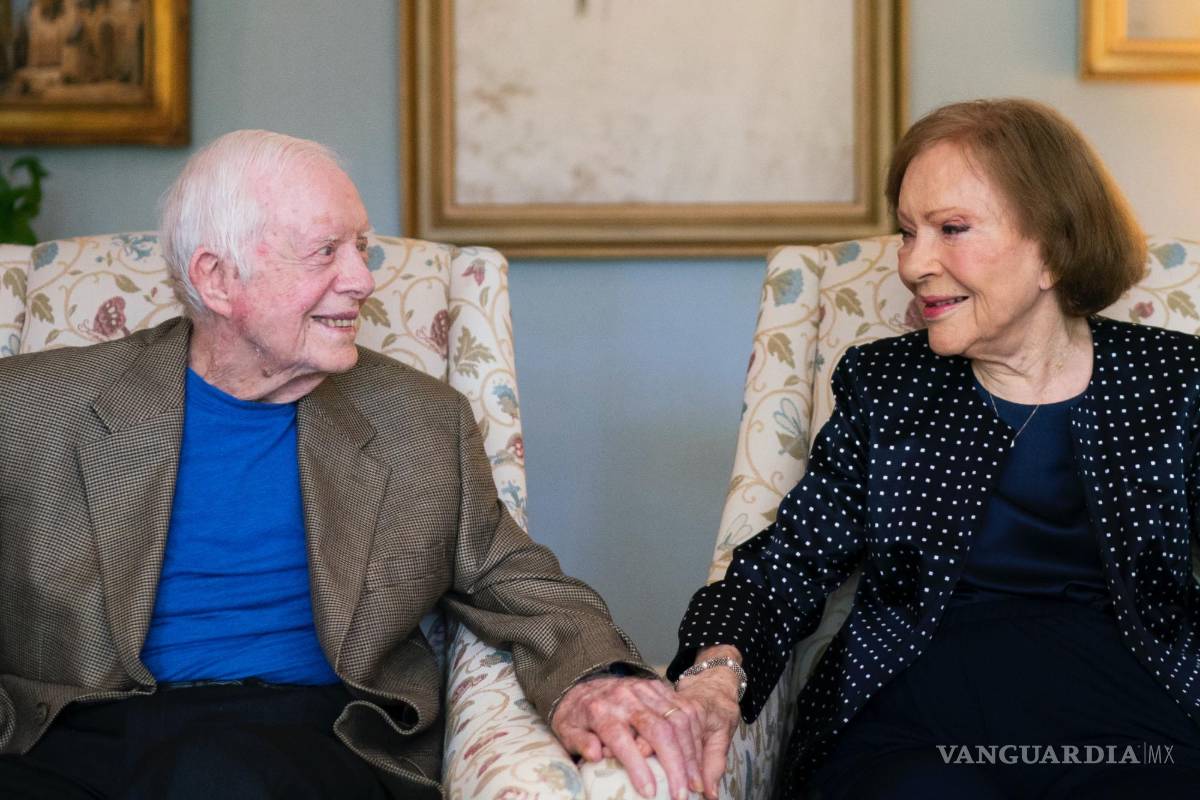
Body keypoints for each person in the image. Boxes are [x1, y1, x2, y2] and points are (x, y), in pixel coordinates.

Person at [0, 130, 700, 800]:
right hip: (75, 734)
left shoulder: (420, 422)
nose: (363, 280)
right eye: (325, 252)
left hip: (309, 733)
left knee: (214, 780)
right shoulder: (30, 409)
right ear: (216, 278)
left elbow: (513, 578)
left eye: (361, 248)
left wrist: (593, 677)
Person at [663, 98, 1200, 798]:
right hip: (917, 716)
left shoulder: (1173, 379)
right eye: (908, 232)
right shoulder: (886, 383)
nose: (915, 264)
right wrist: (715, 673)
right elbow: (788, 564)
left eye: (952, 229)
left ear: (1053, 247)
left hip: (1132, 718)